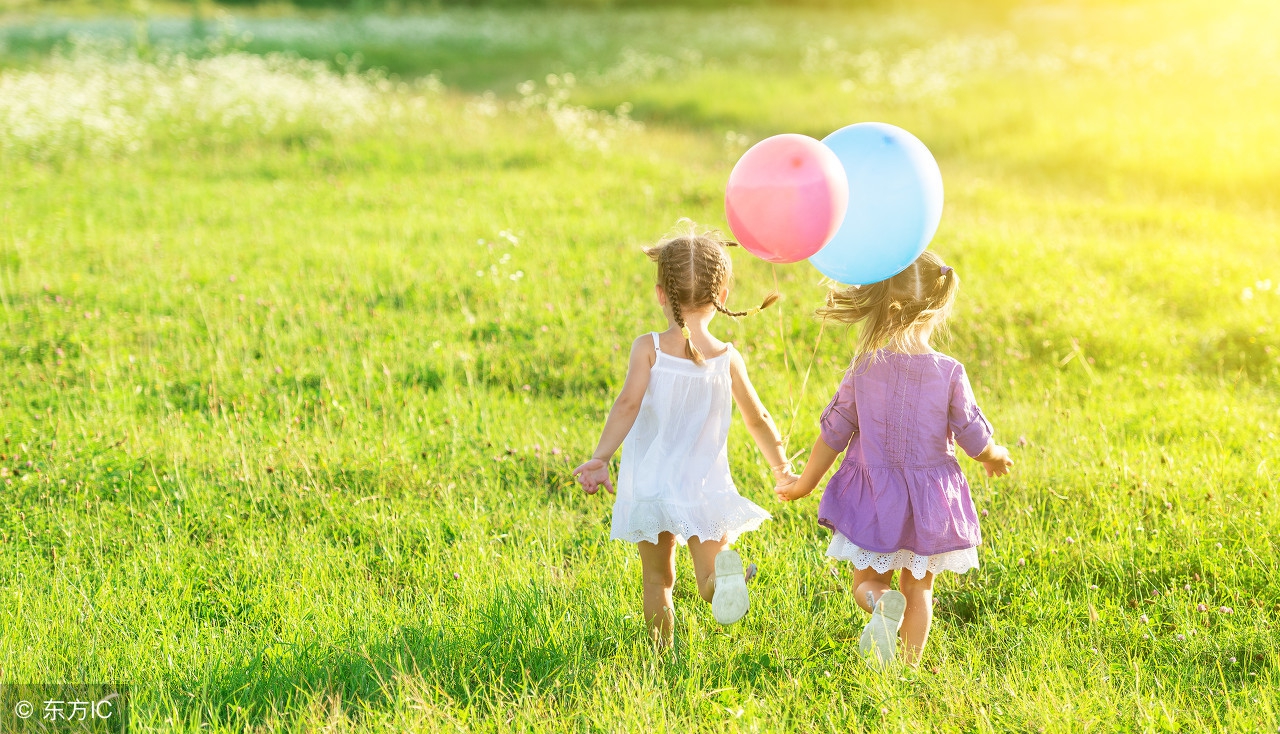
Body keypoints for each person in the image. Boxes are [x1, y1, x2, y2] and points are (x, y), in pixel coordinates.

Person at [775, 251, 1012, 668]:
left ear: (887, 305)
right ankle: (907, 670)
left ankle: (882, 603)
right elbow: (974, 437)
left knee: (867, 581)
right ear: (937, 308)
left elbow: (833, 433)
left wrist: (803, 483)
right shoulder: (950, 371)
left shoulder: (866, 366)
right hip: (928, 502)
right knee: (920, 589)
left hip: (874, 499)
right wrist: (995, 455)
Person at [573, 222, 800, 647]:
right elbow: (758, 418)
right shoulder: (727, 358)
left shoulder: (649, 348)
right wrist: (782, 469)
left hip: (652, 485)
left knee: (658, 579)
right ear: (723, 296)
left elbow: (626, 406)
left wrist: (602, 456)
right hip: (703, 487)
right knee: (707, 579)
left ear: (661, 293)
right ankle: (724, 579)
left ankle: (663, 656)